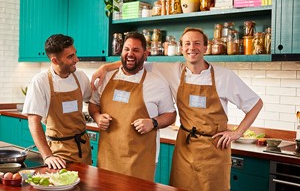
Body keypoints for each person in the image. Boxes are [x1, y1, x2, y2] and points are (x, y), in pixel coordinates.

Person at [90, 27, 263, 191]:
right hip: (185, 147)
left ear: (205, 47)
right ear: (181, 48)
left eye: (196, 43)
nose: (191, 48)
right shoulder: (173, 70)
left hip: (214, 148)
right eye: (187, 43)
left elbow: (256, 104)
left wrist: (237, 133)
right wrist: (105, 67)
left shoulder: (224, 76)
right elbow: (134, 60)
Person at [88, 31, 176, 181]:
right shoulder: (107, 77)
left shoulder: (157, 83)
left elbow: (171, 115)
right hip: (109, 157)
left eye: (136, 50)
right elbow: (93, 104)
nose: (130, 54)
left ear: (145, 54)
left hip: (140, 160)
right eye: (126, 49)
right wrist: (97, 116)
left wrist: (153, 122)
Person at [22, 34, 92, 169]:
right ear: (55, 60)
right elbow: (33, 122)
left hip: (83, 148)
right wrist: (47, 155)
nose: (76, 59)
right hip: (58, 153)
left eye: (75, 54)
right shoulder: (40, 82)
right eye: (70, 57)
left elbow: (92, 102)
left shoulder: (80, 77)